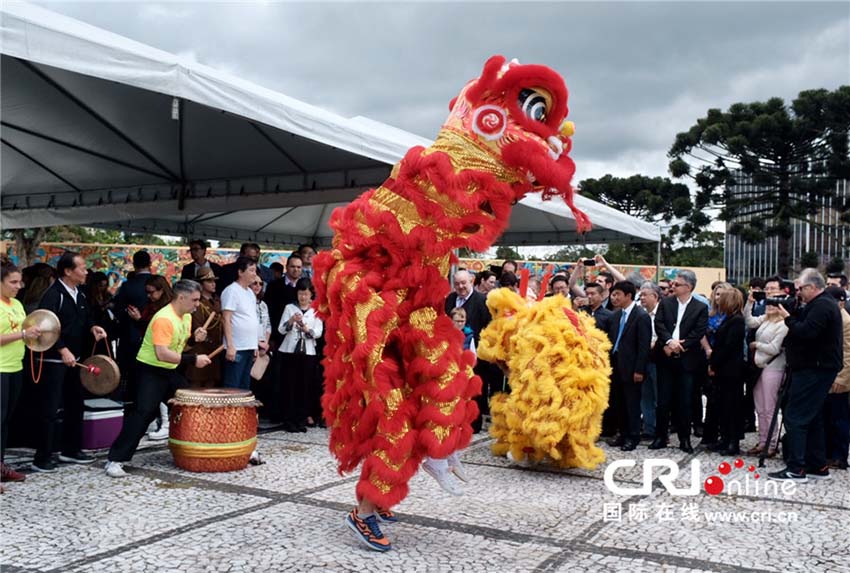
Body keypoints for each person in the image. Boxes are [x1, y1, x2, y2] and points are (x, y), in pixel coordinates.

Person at [105, 281, 211, 478]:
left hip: (169, 371)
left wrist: (194, 341)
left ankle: (205, 451)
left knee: (193, 405)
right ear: (182, 297)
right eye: (195, 300)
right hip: (149, 371)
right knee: (143, 413)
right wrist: (194, 359)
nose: (198, 304)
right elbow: (162, 353)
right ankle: (115, 459)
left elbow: (179, 348)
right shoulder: (164, 318)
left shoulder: (186, 317)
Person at [32, 251, 107, 472]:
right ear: (67, 271)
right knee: (50, 408)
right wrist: (62, 349)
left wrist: (94, 327)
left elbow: (86, 318)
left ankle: (71, 449)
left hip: (77, 359)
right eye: (82, 267)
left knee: (76, 404)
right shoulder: (54, 294)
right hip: (55, 360)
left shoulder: (80, 294)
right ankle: (42, 456)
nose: (86, 271)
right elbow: (45, 326)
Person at [769, 269, 844, 483]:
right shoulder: (817, 304)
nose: (797, 293)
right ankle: (817, 464)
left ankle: (796, 468)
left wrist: (787, 318)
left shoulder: (822, 306)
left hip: (815, 368)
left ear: (812, 287)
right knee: (813, 417)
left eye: (800, 289)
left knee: (796, 416)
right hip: (813, 367)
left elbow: (806, 332)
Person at [650, 269, 708, 454]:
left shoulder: (700, 307)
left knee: (685, 401)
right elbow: (659, 324)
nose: (673, 286)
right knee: (663, 399)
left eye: (677, 284)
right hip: (665, 356)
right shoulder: (666, 303)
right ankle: (660, 437)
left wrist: (681, 345)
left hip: (687, 359)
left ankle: (685, 439)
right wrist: (668, 341)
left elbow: (699, 331)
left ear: (688, 287)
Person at [1, 259, 40, 486]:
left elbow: (26, 329)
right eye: (12, 282)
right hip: (0, 368)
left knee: (5, 421)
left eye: (20, 282)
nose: (18, 286)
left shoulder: (16, 305)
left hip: (16, 365)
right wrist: (23, 335)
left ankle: (1, 464)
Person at [743, 277, 789, 457]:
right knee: (760, 408)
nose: (769, 306)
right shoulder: (766, 319)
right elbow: (750, 321)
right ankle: (762, 441)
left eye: (774, 304)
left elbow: (775, 348)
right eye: (768, 303)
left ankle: (771, 443)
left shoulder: (783, 324)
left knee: (769, 408)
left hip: (774, 368)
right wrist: (749, 303)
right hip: (759, 367)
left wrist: (756, 345)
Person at [605, 281, 652, 451]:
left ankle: (633, 437)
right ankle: (622, 433)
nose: (614, 298)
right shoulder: (616, 316)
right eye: (613, 294)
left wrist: (639, 369)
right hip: (616, 364)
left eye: (617, 294)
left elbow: (643, 346)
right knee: (618, 402)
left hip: (632, 368)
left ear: (628, 296)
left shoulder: (641, 316)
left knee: (632, 403)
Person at [276, 278, 323, 432]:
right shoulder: (290, 308)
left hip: (308, 352)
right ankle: (289, 420)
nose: (303, 297)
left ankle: (301, 420)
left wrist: (306, 328)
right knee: (290, 385)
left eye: (306, 294)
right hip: (290, 351)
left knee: (305, 386)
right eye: (300, 293)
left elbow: (318, 332)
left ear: (311, 295)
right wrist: (291, 321)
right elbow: (281, 330)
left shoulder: (315, 310)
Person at [707, 288, 746, 455]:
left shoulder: (736, 320)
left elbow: (727, 347)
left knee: (732, 406)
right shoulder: (729, 319)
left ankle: (733, 441)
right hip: (724, 370)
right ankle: (724, 438)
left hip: (731, 371)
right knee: (723, 405)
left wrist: (714, 363)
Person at [221, 257, 260, 390]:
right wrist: (230, 345)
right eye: (251, 270)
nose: (255, 274)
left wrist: (255, 345)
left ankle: (242, 411)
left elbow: (252, 318)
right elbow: (226, 319)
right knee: (233, 385)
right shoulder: (231, 291)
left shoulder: (250, 292)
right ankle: (230, 411)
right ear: (240, 272)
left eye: (255, 270)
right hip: (237, 347)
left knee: (244, 385)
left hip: (249, 346)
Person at [823, 286, 850, 470]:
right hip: (826, 375)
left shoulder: (846, 321)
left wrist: (842, 379)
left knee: (839, 419)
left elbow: (848, 353)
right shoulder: (832, 318)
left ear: (841, 302)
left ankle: (840, 456)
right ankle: (828, 453)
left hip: (839, 377)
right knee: (827, 417)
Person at [185, 267, 222, 388]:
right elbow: (197, 327)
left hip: (215, 348)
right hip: (200, 347)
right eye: (209, 281)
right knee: (196, 384)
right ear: (200, 284)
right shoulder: (198, 303)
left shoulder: (217, 301)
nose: (213, 284)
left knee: (211, 384)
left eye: (214, 281)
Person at [638, 282, 662, 438]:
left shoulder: (664, 312)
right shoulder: (641, 314)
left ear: (655, 296)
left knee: (658, 396)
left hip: (659, 359)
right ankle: (649, 428)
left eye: (645, 295)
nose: (641, 298)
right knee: (645, 395)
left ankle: (660, 429)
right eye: (640, 295)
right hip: (643, 358)